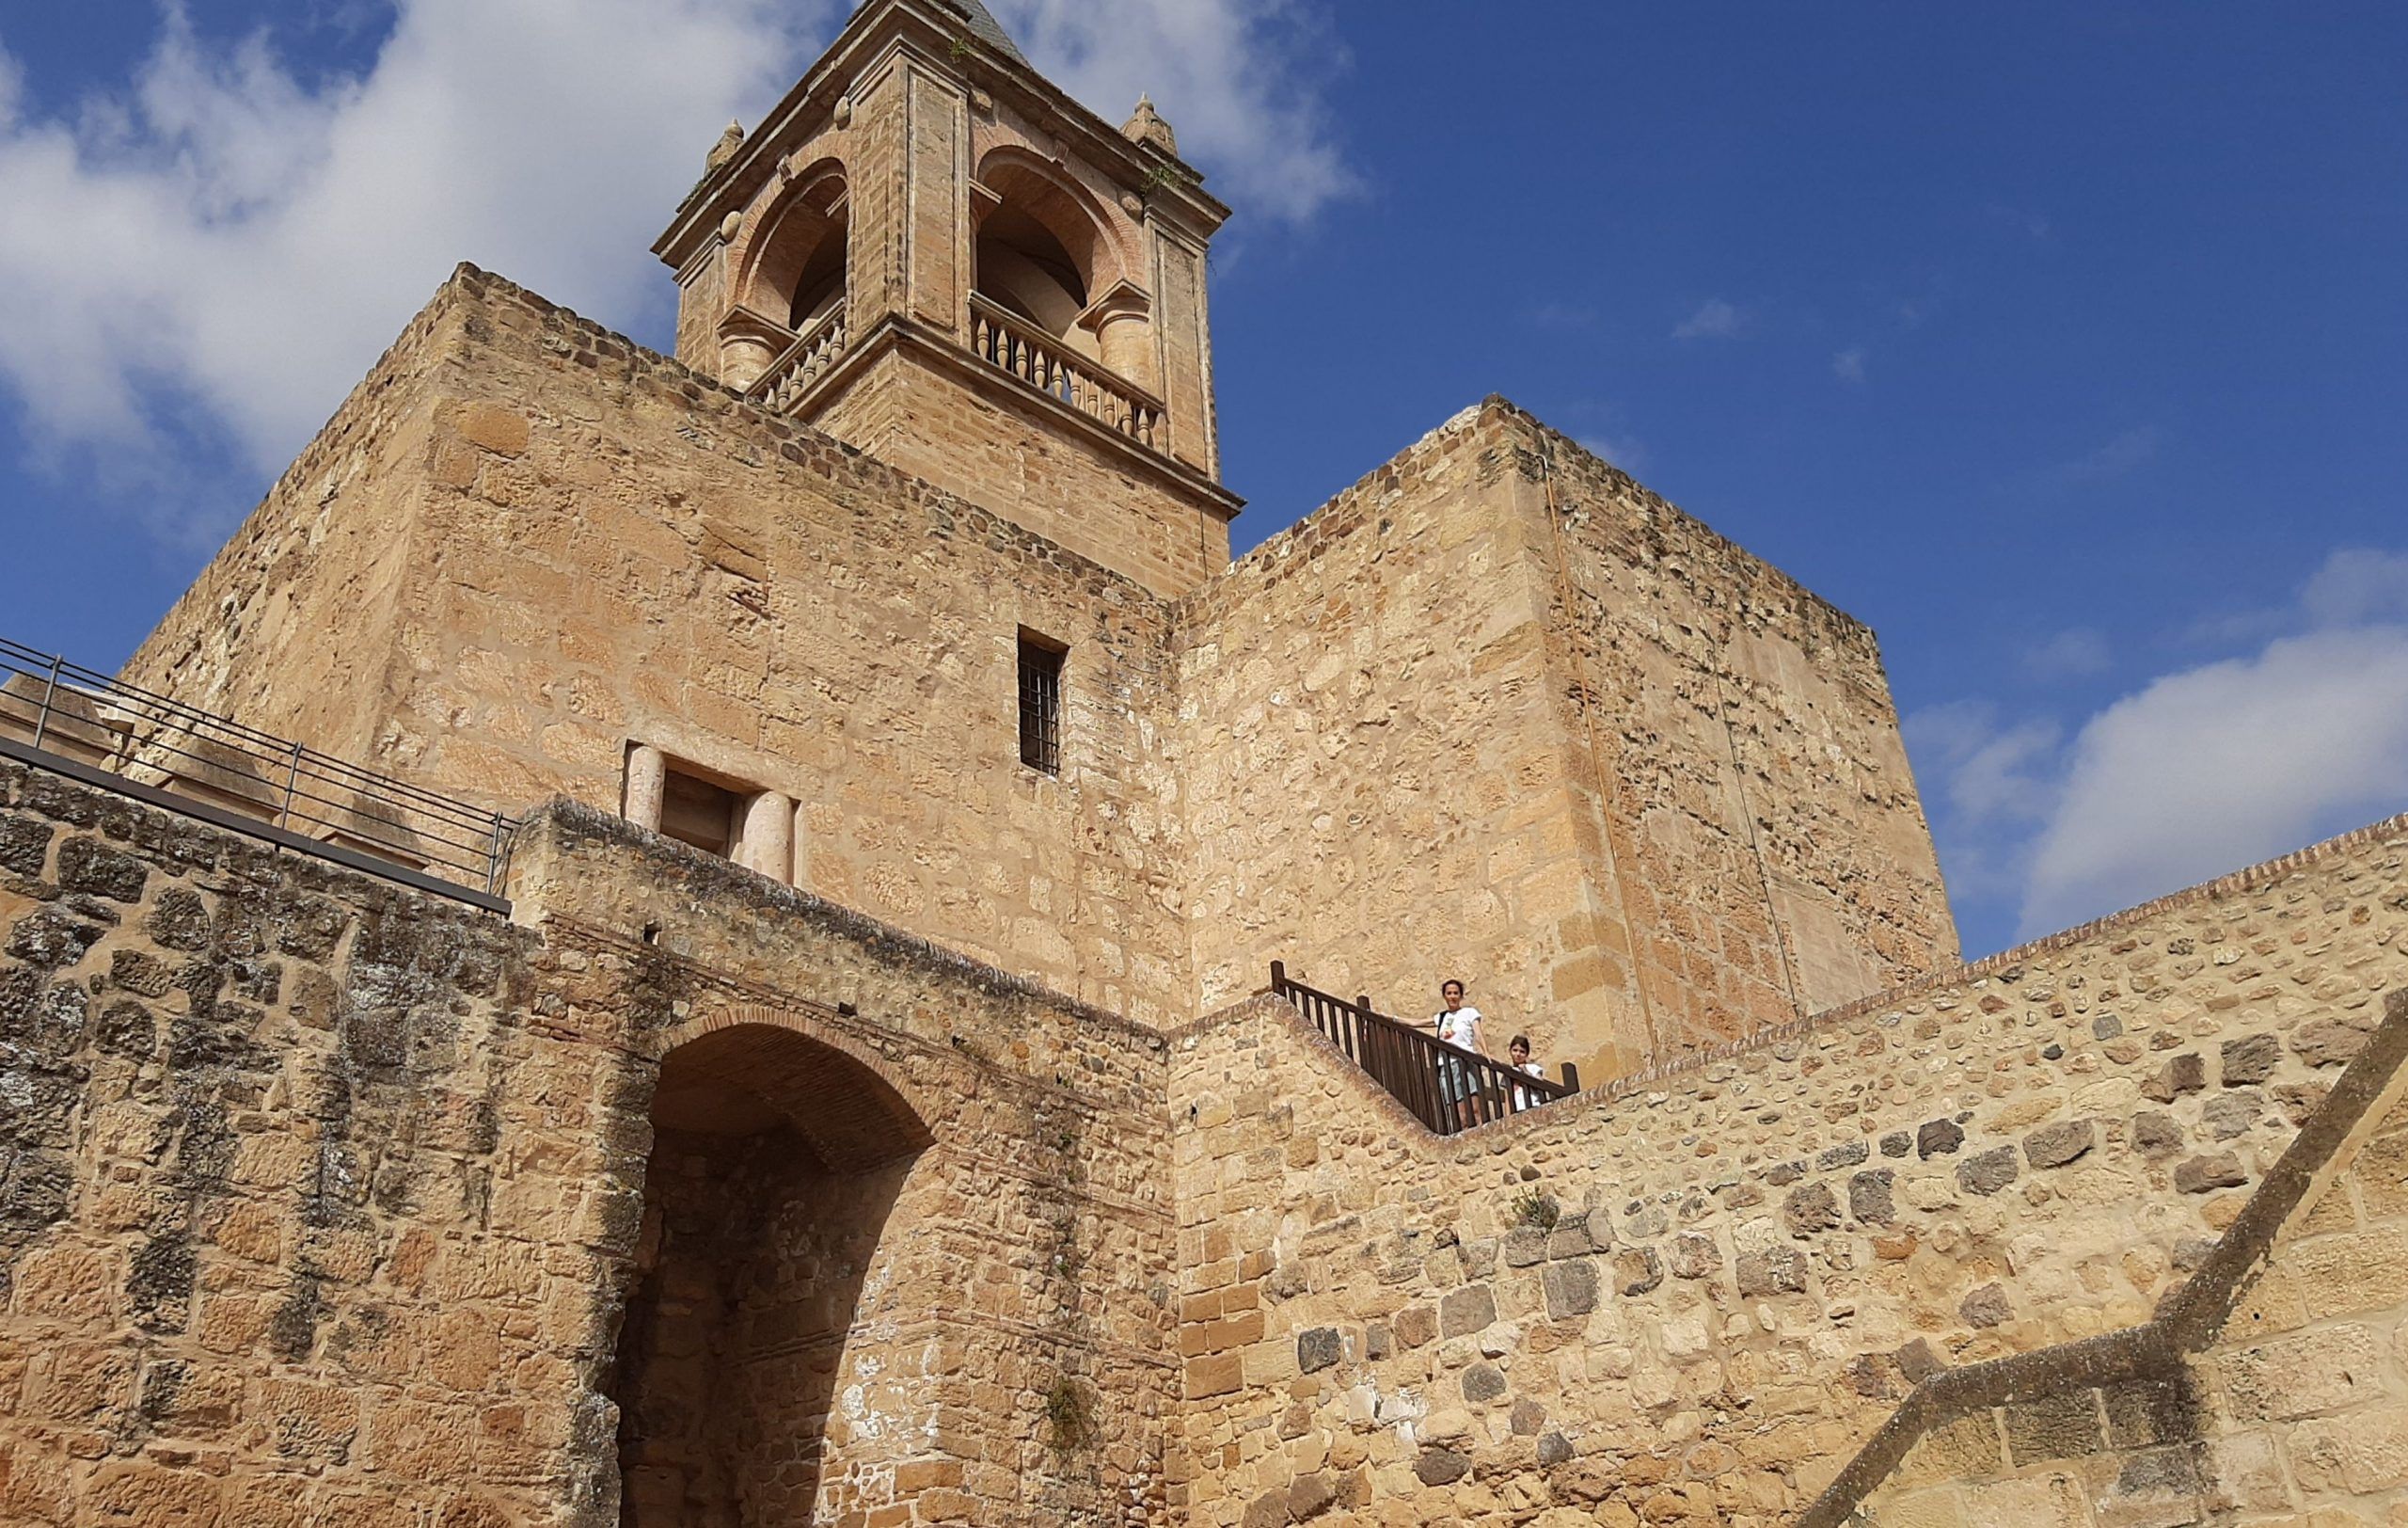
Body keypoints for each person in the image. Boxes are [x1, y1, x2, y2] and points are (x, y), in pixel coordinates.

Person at [1430, 979, 1484, 1129]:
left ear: (1460, 996)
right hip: (1448, 1066)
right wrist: (1393, 1019)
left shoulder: (1469, 1012)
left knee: (1475, 1109)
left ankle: (1481, 1135)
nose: (1452, 996)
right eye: (1449, 993)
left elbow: (1478, 1033)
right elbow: (1416, 1023)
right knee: (1460, 1115)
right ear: (1444, 996)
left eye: (1455, 993)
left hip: (1467, 1063)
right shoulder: (1441, 1017)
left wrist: (1486, 1053)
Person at [1508, 1034, 1545, 1110]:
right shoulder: (1508, 1072)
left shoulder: (1534, 1068)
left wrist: (1526, 1072)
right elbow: (1507, 1097)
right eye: (1515, 1050)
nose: (1518, 1054)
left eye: (1522, 1052)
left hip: (1534, 1107)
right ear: (1510, 1051)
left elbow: (1540, 1083)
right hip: (1517, 1110)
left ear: (1527, 1054)